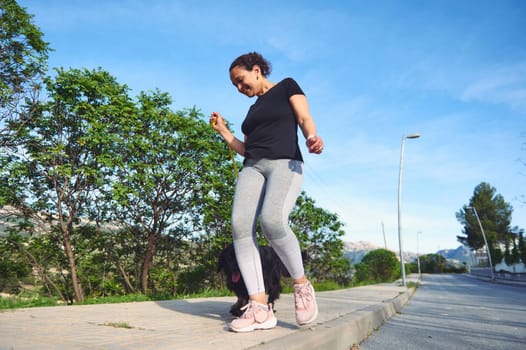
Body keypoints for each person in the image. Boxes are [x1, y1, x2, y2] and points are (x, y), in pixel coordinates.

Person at [210, 52, 324, 333]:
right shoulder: (251, 112)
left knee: (272, 221)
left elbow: (304, 117)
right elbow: (247, 150)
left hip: (285, 162)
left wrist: (311, 136)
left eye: (241, 80)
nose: (239, 87)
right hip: (253, 166)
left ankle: (301, 286)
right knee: (240, 227)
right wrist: (224, 131)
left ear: (257, 70)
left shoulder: (287, 86)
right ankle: (259, 307)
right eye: (234, 85)